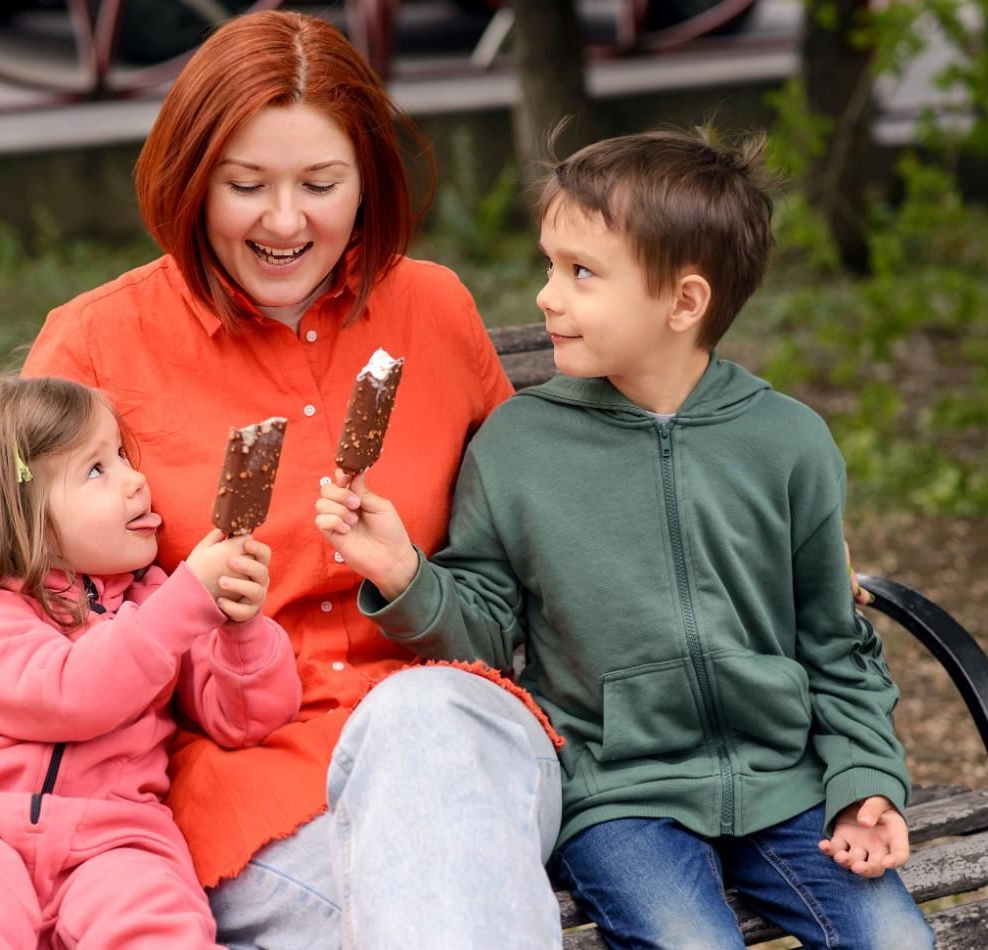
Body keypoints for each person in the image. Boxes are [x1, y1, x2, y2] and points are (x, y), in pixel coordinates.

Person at [0, 10, 567, 948]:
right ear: (193, 179)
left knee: (421, 718)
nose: (283, 220)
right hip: (253, 799)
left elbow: (539, 521)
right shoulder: (100, 342)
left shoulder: (432, 311)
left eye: (320, 183)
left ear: (367, 182)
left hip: (460, 751)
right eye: (245, 184)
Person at [315, 128, 935, 949]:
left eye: (580, 273)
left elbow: (835, 642)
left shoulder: (788, 444)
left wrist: (864, 783)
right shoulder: (517, 446)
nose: (545, 296)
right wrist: (403, 573)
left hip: (786, 787)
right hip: (618, 796)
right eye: (549, 264)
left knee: (899, 943)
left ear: (683, 303)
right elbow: (487, 641)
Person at [0, 375, 300, 947]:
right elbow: (70, 694)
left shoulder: (153, 600)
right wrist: (184, 603)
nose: (137, 482)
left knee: (158, 927)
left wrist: (241, 629)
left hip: (120, 841)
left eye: (124, 458)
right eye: (97, 470)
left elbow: (246, 719)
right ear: (21, 516)